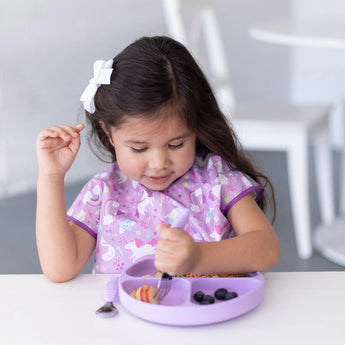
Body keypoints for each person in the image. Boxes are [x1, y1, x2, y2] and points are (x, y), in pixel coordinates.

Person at [36, 36, 280, 282]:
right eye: (139, 148)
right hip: (123, 318)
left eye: (176, 144)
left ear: (196, 126)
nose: (158, 163)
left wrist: (198, 256)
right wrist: (51, 177)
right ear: (109, 134)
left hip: (204, 317)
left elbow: (267, 249)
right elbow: (60, 269)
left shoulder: (217, 178)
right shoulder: (104, 191)